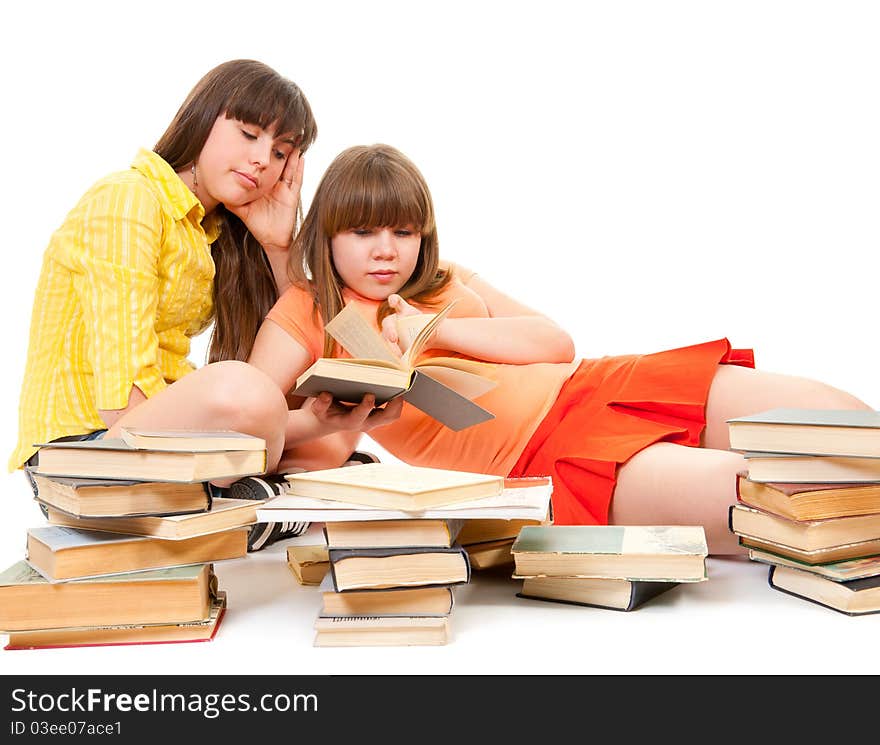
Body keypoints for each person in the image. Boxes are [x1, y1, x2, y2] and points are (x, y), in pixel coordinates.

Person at [247, 143, 873, 555]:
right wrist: (325, 419)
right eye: (362, 232)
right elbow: (250, 422)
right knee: (775, 495)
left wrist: (431, 330)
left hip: (592, 384)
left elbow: (554, 342)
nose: (386, 250)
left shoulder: (444, 281)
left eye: (403, 232)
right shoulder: (309, 312)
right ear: (327, 235)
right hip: (540, 455)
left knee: (828, 419)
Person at [8, 60, 392, 550]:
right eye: (249, 133)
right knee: (241, 386)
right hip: (81, 461)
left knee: (301, 416)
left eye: (279, 152)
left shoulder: (212, 235)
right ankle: (266, 496)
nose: (261, 161)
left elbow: (295, 348)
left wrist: (277, 246)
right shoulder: (129, 199)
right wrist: (272, 430)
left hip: (154, 451)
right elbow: (123, 408)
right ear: (203, 117)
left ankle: (256, 498)